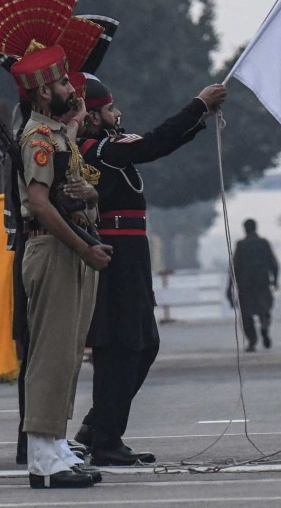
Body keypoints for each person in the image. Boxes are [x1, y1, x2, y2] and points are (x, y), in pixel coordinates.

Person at [74, 74, 226, 465]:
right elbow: (154, 143)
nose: (116, 113)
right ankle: (105, 439)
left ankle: (98, 426)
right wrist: (199, 105)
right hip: (116, 251)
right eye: (108, 108)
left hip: (129, 250)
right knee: (123, 346)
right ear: (91, 116)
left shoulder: (102, 147)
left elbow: (156, 143)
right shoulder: (100, 148)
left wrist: (200, 115)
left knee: (139, 344)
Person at [13, 46, 112, 489]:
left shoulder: (57, 134)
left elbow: (73, 180)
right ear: (39, 94)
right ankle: (41, 458)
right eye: (61, 84)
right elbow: (39, 204)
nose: (70, 88)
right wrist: (84, 248)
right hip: (54, 248)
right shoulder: (36, 138)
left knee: (69, 353)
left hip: (69, 250)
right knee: (50, 354)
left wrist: (89, 198)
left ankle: (55, 446)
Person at [228, 218, 280, 353]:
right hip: (263, 282)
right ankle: (264, 328)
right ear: (256, 228)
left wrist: (230, 286)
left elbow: (234, 267)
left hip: (245, 285)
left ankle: (252, 341)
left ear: (245, 229)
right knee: (264, 309)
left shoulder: (241, 245)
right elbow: (274, 263)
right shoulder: (264, 243)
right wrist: (275, 280)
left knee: (246, 314)